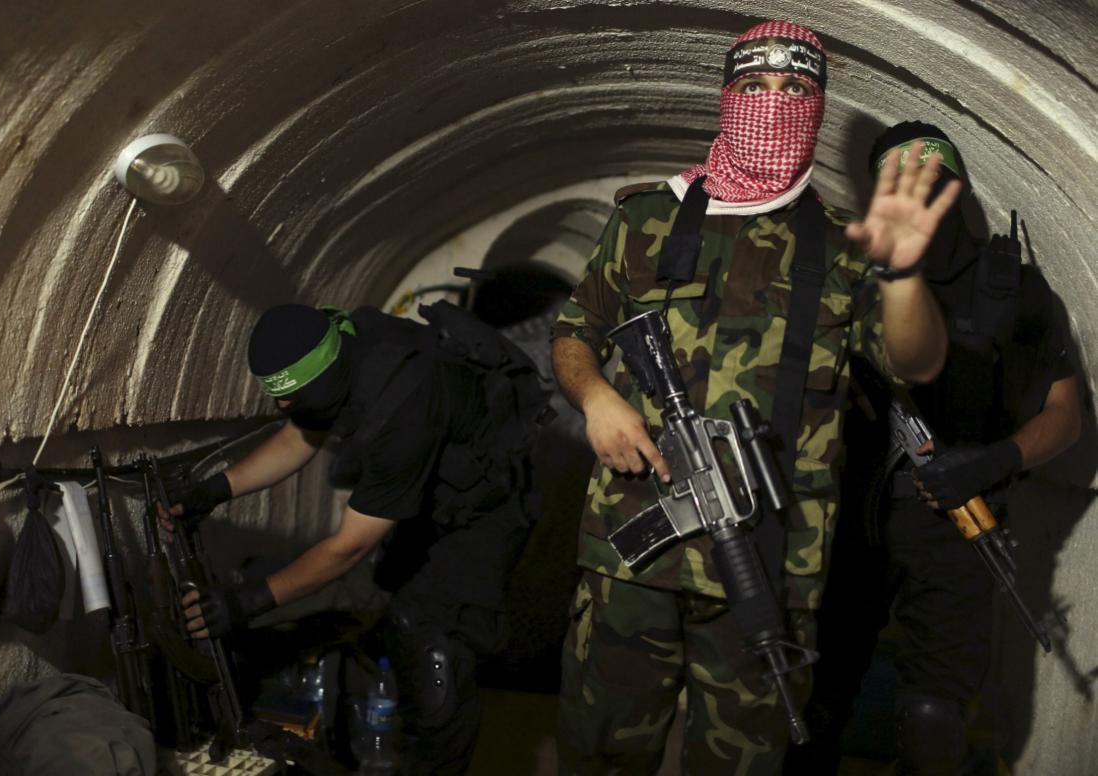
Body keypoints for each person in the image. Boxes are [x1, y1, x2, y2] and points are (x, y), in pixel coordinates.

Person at [550, 21, 959, 775]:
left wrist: (903, 274)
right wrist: (597, 397)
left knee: (742, 763)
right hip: (634, 541)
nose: (774, 105)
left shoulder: (840, 246)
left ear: (820, 106)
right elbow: (575, 332)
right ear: (725, 97)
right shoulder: (647, 219)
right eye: (755, 87)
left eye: (796, 89)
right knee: (603, 752)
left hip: (772, 559)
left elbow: (918, 361)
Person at [785, 122, 1082, 776]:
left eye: (938, 178)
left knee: (933, 713)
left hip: (959, 523)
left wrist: (996, 459)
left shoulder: (1012, 287)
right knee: (812, 698)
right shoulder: (849, 275)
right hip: (844, 519)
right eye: (907, 180)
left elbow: (1067, 415)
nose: (927, 193)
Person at [158, 301, 547, 775]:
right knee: (403, 620)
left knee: (438, 657)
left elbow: (350, 547)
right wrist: (215, 490)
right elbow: (298, 436)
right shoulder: (341, 348)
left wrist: (248, 602)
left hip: (486, 512)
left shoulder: (401, 408)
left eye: (291, 395)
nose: (282, 406)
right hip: (434, 496)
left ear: (324, 375)